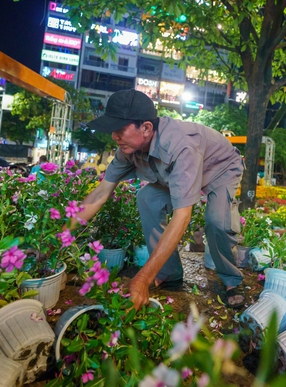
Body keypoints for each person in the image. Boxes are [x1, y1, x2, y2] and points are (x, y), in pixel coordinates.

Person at [70, 89, 245, 310]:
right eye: (113, 129)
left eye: (120, 129)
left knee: (217, 221)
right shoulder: (128, 149)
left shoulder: (180, 146)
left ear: (146, 128)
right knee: (147, 198)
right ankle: (169, 273)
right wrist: (61, 236)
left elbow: (183, 216)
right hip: (179, 172)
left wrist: (142, 279)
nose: (114, 136)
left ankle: (231, 281)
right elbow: (100, 193)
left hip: (219, 168)